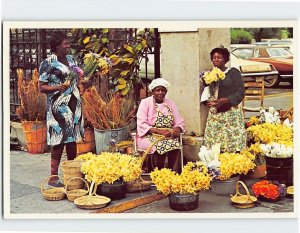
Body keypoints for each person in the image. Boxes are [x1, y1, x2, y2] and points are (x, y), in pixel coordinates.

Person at [39, 31, 84, 187]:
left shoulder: (71, 60)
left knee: (72, 139)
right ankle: (53, 177)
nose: (68, 46)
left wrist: (83, 80)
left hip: (74, 103)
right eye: (65, 44)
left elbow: (76, 78)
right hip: (58, 106)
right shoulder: (48, 63)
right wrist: (58, 87)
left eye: (68, 43)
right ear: (57, 46)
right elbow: (42, 87)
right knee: (58, 140)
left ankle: (72, 174)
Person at [202, 47, 246, 153]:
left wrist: (225, 100)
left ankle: (233, 164)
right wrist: (206, 102)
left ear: (225, 59)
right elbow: (206, 92)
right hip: (215, 113)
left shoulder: (234, 72)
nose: (216, 60)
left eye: (219, 58)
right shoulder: (208, 74)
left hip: (231, 112)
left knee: (232, 141)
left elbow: (241, 91)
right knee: (215, 141)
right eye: (214, 58)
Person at [136, 78, 185, 172]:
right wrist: (159, 131)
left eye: (163, 90)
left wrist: (177, 129)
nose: (160, 92)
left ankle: (171, 173)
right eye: (158, 90)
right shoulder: (145, 103)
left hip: (168, 135)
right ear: (152, 91)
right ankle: (158, 173)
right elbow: (141, 123)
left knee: (175, 145)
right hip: (149, 135)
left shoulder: (170, 103)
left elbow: (179, 121)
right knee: (160, 146)